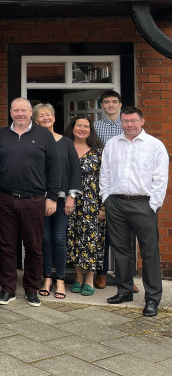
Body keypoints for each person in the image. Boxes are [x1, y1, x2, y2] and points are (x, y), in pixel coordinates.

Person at [100, 106, 168, 317]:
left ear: (142, 121)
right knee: (120, 251)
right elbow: (105, 173)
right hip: (117, 203)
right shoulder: (112, 144)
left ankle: (152, 298)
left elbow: (160, 178)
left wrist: (153, 205)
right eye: (125, 121)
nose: (128, 125)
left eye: (132, 121)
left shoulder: (155, 145)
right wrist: (106, 198)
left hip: (143, 204)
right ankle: (124, 290)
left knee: (149, 253)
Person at [0, 97, 60, 307]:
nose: (20, 114)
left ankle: (31, 289)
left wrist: (51, 197)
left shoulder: (43, 135)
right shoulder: (2, 135)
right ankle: (7, 289)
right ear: (10, 112)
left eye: (23, 110)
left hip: (34, 200)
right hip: (5, 198)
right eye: (16, 110)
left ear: (31, 112)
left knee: (33, 247)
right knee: (6, 246)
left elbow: (54, 168)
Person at [33, 103, 80, 300]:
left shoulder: (66, 142)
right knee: (44, 240)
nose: (45, 118)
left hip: (62, 200)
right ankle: (47, 278)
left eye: (48, 114)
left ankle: (60, 278)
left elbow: (74, 170)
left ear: (54, 117)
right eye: (41, 115)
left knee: (59, 239)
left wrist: (71, 196)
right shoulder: (33, 142)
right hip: (39, 199)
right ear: (35, 120)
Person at [64, 116, 105, 296]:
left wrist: (104, 207)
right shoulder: (65, 148)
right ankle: (78, 277)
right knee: (72, 237)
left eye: (86, 126)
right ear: (72, 128)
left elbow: (105, 180)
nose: (82, 129)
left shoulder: (98, 151)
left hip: (92, 202)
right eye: (79, 125)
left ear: (91, 129)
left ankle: (90, 278)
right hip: (69, 201)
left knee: (91, 240)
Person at [92, 90, 123, 291]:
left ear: (120, 104)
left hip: (122, 182)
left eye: (114, 102)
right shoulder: (95, 127)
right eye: (106, 102)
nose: (110, 105)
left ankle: (123, 276)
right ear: (101, 105)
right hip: (100, 181)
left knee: (123, 236)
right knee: (102, 235)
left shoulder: (127, 125)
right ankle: (101, 273)